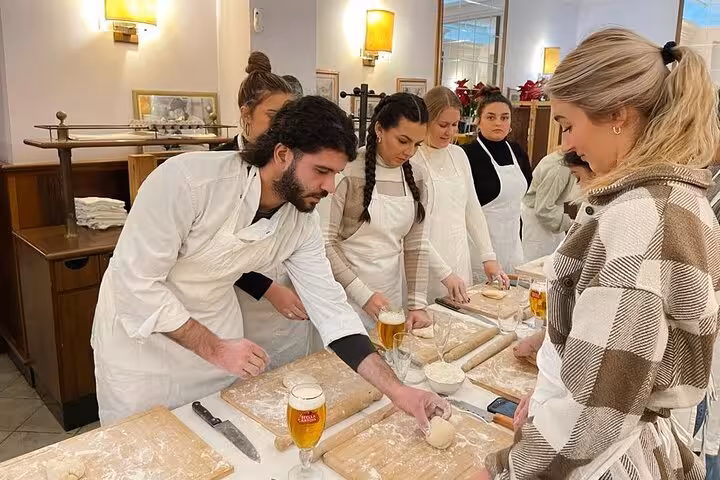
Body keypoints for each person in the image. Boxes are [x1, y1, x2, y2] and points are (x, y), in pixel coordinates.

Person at [91, 95, 450, 428]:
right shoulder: (187, 182)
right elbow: (135, 284)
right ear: (282, 154)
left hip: (216, 336)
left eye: (336, 173)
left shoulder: (300, 221)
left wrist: (398, 390)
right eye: (321, 171)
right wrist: (215, 348)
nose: (330, 186)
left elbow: (331, 309)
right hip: (142, 346)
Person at [475, 29, 720, 480]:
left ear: (617, 116)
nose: (567, 144)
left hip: (608, 460)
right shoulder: (678, 197)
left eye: (569, 124)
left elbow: (595, 414)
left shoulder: (641, 219)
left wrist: (503, 469)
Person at [215, 52, 313, 369]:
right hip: (240, 299)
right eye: (274, 116)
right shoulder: (218, 166)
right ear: (246, 114)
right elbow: (214, 248)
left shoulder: (293, 160)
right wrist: (267, 288)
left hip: (288, 290)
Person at [324, 93, 432, 330]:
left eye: (417, 144)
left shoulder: (419, 177)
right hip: (345, 297)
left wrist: (416, 304)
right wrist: (362, 295)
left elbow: (416, 245)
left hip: (390, 297)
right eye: (403, 141)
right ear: (380, 130)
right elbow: (325, 244)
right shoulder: (347, 171)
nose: (410, 152)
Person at [410, 86, 508, 304]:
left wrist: (488, 256)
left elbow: (472, 208)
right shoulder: (412, 159)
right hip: (426, 260)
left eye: (454, 125)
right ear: (426, 120)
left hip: (458, 255)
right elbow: (412, 227)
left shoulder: (459, 155)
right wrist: (444, 273)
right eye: (443, 125)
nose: (450, 132)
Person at [462, 87, 532, 276]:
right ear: (478, 121)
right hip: (479, 251)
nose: (498, 123)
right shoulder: (467, 155)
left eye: (504, 117)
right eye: (490, 117)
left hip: (514, 245)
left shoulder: (517, 151)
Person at [520, 150, 578, 261]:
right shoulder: (559, 169)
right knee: (537, 264)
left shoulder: (562, 162)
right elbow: (543, 210)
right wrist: (570, 224)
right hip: (539, 221)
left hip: (548, 214)